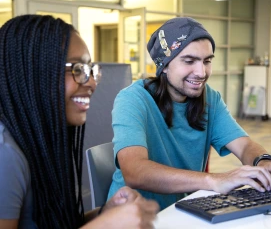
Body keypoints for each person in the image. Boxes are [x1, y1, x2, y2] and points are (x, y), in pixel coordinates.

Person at [107, 17, 271, 210]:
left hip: (184, 211)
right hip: (132, 217)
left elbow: (244, 145)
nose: (201, 72)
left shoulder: (209, 98)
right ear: (164, 66)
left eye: (207, 61)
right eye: (189, 61)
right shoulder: (132, 99)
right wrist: (213, 180)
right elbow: (135, 171)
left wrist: (263, 162)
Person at [0, 14, 158, 229]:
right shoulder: (5, 154)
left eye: (91, 70)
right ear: (34, 73)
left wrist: (106, 212)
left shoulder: (37, 142)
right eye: (76, 69)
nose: (92, 82)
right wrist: (105, 226)